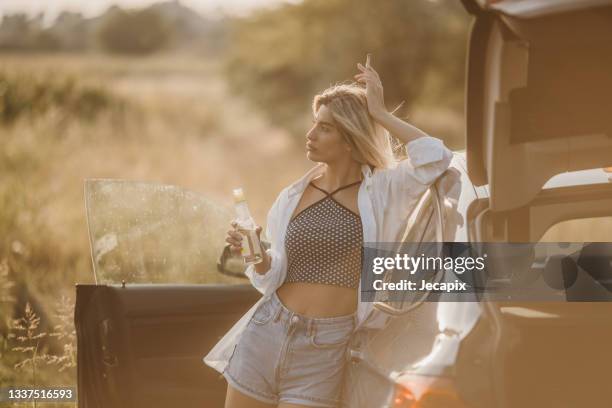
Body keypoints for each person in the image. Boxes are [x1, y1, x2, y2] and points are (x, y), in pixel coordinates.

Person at [204, 54, 453, 408]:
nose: (310, 135)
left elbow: (437, 159)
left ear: (350, 139)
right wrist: (257, 254)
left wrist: (380, 113)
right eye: (314, 123)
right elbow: (271, 274)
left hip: (326, 346)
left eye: (324, 127)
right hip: (266, 331)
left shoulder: (383, 190)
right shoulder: (293, 195)